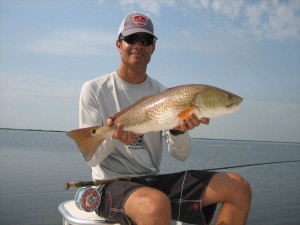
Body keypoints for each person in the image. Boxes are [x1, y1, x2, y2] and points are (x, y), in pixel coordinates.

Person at [79, 13, 251, 225]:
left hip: (153, 181)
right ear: (118, 44)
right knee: (155, 204)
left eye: (146, 40)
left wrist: (179, 130)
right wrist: (115, 136)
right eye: (131, 39)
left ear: (153, 48)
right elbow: (92, 158)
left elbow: (181, 155)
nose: (139, 45)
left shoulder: (163, 93)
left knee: (238, 187)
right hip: (110, 183)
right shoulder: (94, 89)